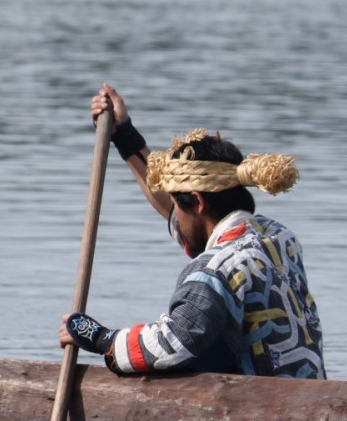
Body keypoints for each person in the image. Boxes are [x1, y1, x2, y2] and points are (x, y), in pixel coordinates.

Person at [59, 84, 326, 379]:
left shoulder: (215, 269)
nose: (174, 216)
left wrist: (98, 337)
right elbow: (180, 215)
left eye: (177, 203)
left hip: (269, 412)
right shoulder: (280, 238)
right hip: (307, 390)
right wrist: (124, 134)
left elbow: (171, 344)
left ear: (198, 202)